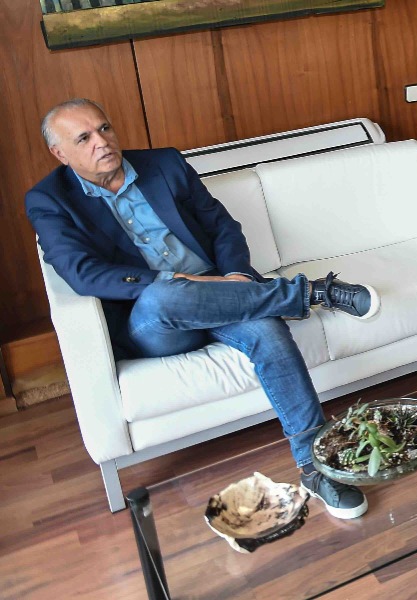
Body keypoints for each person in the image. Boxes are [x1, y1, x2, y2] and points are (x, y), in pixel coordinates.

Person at [26, 98, 379, 519]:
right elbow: (84, 274)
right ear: (60, 153)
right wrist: (181, 281)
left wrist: (236, 276)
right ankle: (309, 294)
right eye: (83, 138)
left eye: (104, 128)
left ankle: (316, 468)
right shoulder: (49, 200)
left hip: (224, 291)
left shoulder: (164, 164)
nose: (101, 142)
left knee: (268, 331)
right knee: (164, 293)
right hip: (153, 319)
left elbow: (221, 226)